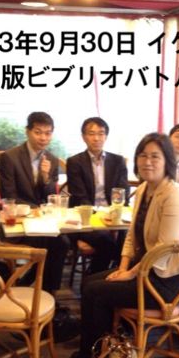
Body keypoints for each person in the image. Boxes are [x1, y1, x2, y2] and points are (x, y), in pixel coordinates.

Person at [70, 133, 179, 358]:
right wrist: (123, 267)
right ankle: (101, 349)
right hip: (143, 271)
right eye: (143, 156)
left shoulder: (174, 194)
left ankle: (98, 357)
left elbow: (162, 248)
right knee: (88, 283)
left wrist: (129, 274)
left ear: (167, 161)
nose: (148, 162)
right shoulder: (145, 189)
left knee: (97, 291)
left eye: (155, 157)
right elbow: (131, 235)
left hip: (164, 280)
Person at [0, 111, 69, 294]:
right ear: (27, 131)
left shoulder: (52, 160)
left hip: (42, 223)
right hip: (18, 223)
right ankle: (44, 290)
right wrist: (35, 210)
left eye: (48, 133)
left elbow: (50, 197)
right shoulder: (10, 157)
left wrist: (45, 177)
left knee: (61, 242)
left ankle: (42, 290)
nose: (43, 138)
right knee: (58, 244)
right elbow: (8, 196)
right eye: (38, 132)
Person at [66, 117, 129, 273]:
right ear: (83, 137)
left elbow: (123, 191)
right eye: (91, 133)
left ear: (106, 136)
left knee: (131, 239)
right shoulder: (75, 162)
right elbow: (80, 196)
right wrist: (101, 215)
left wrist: (113, 212)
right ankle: (102, 276)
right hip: (86, 219)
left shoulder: (118, 161)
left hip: (113, 217)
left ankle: (103, 276)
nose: (96, 138)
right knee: (107, 242)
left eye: (101, 133)